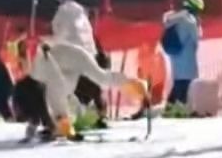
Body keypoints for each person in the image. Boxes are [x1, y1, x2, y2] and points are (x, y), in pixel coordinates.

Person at [14, 38, 147, 141]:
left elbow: (56, 87)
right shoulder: (34, 68)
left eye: (21, 62)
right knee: (59, 94)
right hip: (67, 66)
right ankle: (61, 125)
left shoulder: (39, 65)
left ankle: (138, 86)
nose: (20, 67)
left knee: (101, 78)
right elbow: (56, 88)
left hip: (77, 58)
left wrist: (63, 123)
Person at [50, 0, 108, 126]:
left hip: (73, 54)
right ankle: (100, 115)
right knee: (92, 87)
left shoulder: (64, 11)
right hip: (90, 53)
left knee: (64, 88)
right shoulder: (81, 11)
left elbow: (60, 34)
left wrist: (50, 45)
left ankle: (62, 123)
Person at [161, 0, 204, 115]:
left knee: (178, 84)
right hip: (187, 58)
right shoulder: (190, 20)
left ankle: (169, 109)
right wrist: (198, 25)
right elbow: (196, 38)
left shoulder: (175, 18)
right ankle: (179, 111)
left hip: (176, 57)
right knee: (184, 86)